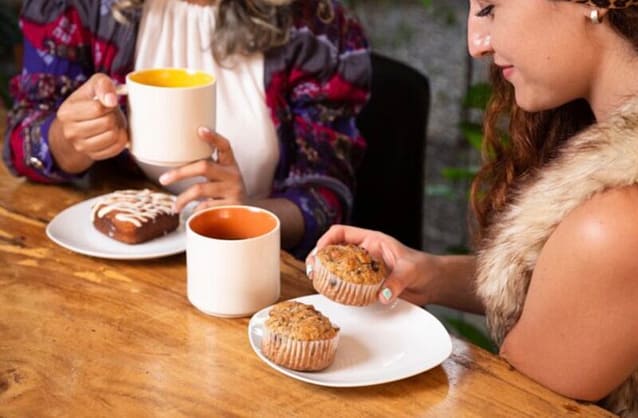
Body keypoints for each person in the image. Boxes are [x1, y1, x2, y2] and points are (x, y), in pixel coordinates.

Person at [307, 0, 638, 415]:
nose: (476, 44)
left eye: (490, 8)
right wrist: (432, 274)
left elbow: (510, 406)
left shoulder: (614, 224)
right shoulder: (605, 174)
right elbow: (569, 290)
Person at [4, 0, 371, 259]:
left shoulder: (314, 26)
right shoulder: (80, 7)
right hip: (119, 261)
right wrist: (69, 138)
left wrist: (246, 216)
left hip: (248, 270)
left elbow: (329, 197)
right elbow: (21, 142)